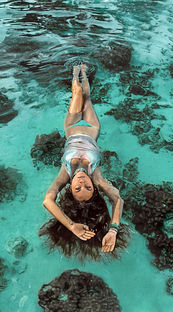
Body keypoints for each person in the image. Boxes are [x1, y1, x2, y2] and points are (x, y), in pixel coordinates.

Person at [39, 64, 129, 261]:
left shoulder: (65, 174)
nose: (81, 182)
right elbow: (117, 200)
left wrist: (71, 225)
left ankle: (74, 72)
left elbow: (47, 200)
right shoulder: (95, 176)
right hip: (92, 127)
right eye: (86, 186)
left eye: (77, 189)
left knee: (77, 93)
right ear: (92, 186)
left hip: (71, 126)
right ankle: (83, 72)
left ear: (69, 189)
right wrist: (113, 230)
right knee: (87, 96)